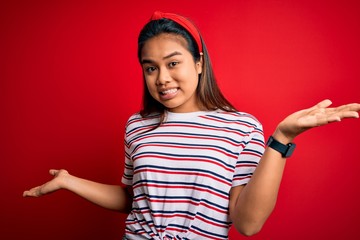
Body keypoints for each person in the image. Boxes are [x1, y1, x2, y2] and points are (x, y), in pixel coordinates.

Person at [23, 11, 360, 239]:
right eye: (150, 67)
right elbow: (134, 199)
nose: (162, 78)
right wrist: (70, 182)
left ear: (199, 63)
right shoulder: (137, 126)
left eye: (173, 63)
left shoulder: (240, 127)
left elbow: (248, 223)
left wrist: (281, 139)